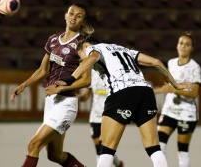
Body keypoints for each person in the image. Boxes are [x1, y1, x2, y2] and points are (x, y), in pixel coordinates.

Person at [45, 37, 193, 167]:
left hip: (122, 93)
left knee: (107, 148)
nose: (81, 60)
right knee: (154, 147)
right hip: (145, 92)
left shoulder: (93, 48)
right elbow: (156, 61)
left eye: (79, 56)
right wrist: (176, 84)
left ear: (85, 47)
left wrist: (69, 80)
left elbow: (91, 58)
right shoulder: (125, 50)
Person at [11, 3, 99, 167]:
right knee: (55, 156)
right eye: (71, 13)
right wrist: (24, 84)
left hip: (66, 103)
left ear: (83, 22)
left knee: (33, 145)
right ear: (65, 15)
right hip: (51, 103)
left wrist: (63, 87)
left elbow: (86, 80)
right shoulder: (53, 39)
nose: (73, 17)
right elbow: (43, 70)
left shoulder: (82, 44)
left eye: (78, 16)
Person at [153, 31, 200, 167]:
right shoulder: (172, 63)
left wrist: (174, 90)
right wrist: (154, 91)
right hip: (169, 111)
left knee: (182, 150)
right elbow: (167, 87)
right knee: (159, 145)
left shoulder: (194, 68)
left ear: (192, 48)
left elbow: (194, 93)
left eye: (187, 44)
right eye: (181, 43)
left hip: (186, 113)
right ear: (177, 46)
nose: (183, 46)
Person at [78, 69, 124, 167]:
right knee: (98, 147)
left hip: (109, 114)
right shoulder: (92, 72)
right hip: (95, 115)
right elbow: (86, 95)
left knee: (103, 144)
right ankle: (118, 164)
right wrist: (79, 97)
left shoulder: (114, 71)